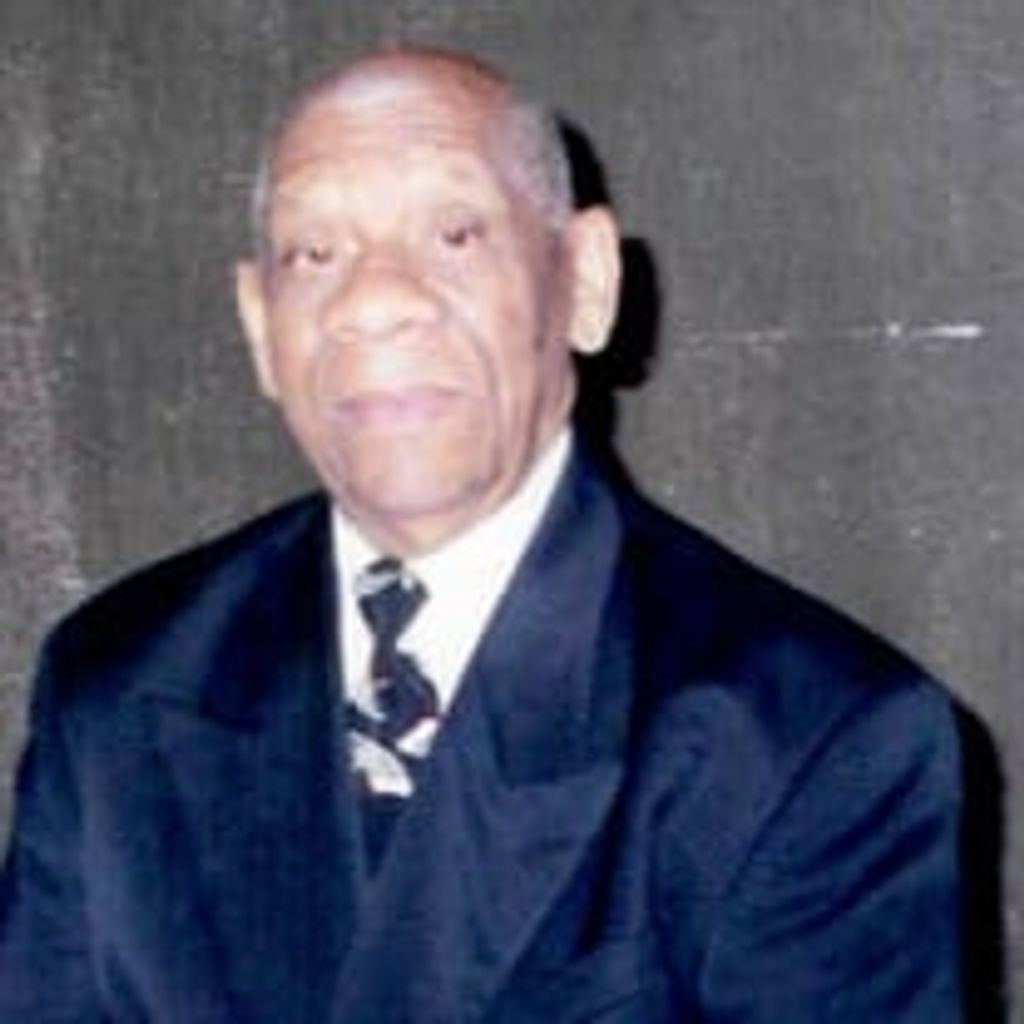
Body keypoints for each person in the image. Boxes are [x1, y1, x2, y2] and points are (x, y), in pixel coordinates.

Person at [0, 45, 962, 1022]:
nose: (374, 302)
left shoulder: (808, 740)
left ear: (585, 281)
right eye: (313, 254)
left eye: (454, 234)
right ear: (259, 325)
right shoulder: (116, 687)